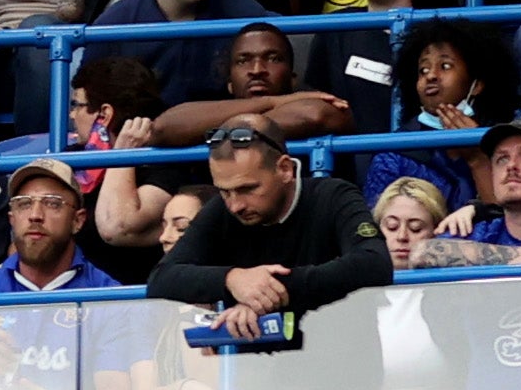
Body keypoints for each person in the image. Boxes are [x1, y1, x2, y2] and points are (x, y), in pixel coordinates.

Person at [147, 120, 395, 321]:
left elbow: (374, 263)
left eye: (248, 189)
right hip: (257, 371)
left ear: (285, 169)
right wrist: (233, 279)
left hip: (344, 365)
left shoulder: (333, 196)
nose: (235, 205)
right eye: (224, 191)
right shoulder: (221, 210)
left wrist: (272, 289)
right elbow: (161, 280)